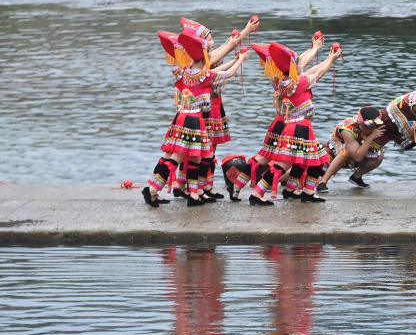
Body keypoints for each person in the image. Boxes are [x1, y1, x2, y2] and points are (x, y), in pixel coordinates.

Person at [143, 28, 250, 207]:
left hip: (181, 117)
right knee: (176, 158)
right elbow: (228, 74)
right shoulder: (206, 76)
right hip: (193, 120)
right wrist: (240, 60)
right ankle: (153, 189)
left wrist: (234, 58)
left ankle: (193, 195)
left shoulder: (184, 71)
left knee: (194, 157)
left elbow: (218, 70)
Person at [249, 40, 342, 205]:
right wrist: (331, 60)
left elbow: (311, 70)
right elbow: (318, 73)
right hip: (300, 128)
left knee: (315, 159)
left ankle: (300, 190)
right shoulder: (298, 83)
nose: (301, 65)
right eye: (298, 63)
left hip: (294, 126)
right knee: (294, 163)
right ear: (293, 67)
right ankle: (259, 193)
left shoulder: (283, 81)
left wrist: (322, 53)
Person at [322, 106, 388, 188]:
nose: (370, 129)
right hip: (335, 150)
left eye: (373, 125)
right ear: (360, 123)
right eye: (366, 126)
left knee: (378, 155)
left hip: (359, 147)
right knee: (345, 152)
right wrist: (371, 137)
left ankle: (356, 177)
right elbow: (357, 157)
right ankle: (323, 181)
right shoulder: (347, 129)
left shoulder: (376, 124)